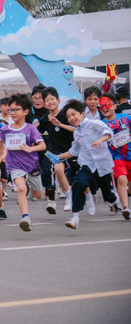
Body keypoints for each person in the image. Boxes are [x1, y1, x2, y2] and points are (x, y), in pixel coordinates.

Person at [58, 99, 122, 230]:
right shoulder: (76, 132)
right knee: (78, 184)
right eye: (68, 117)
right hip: (87, 164)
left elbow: (108, 132)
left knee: (107, 195)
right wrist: (57, 157)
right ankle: (75, 218)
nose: (71, 118)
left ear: (82, 114)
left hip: (102, 164)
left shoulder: (94, 123)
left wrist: (100, 140)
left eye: (73, 114)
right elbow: (73, 151)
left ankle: (116, 202)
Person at [0, 93, 45, 232]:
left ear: (25, 111)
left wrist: (31, 149)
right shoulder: (5, 129)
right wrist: (1, 156)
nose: (13, 112)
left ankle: (31, 189)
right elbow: (1, 140)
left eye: (16, 109)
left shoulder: (30, 128)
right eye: (11, 109)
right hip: (15, 165)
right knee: (21, 188)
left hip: (32, 165)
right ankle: (25, 217)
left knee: (38, 195)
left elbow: (42, 146)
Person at [37, 86, 75, 213]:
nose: (50, 102)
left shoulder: (65, 115)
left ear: (58, 100)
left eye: (52, 99)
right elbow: (38, 134)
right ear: (44, 103)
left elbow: (75, 129)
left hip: (67, 151)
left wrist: (60, 125)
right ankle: (52, 199)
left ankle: (69, 197)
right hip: (51, 152)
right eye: (47, 100)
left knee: (59, 169)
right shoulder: (44, 119)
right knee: (46, 171)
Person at [99, 95, 131, 219]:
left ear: (114, 106)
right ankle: (125, 208)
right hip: (115, 157)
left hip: (129, 154)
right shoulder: (100, 124)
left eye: (107, 105)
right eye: (102, 106)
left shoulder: (126, 118)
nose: (105, 108)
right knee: (121, 179)